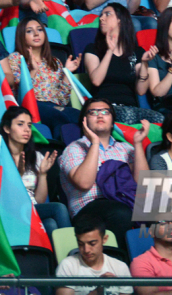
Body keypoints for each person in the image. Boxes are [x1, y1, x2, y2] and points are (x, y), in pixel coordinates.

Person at [58, 97, 150, 247]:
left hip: (126, 200)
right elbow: (84, 183)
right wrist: (94, 143)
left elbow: (143, 184)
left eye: (105, 112)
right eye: (93, 112)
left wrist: (138, 144)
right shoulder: (74, 149)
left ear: (112, 120)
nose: (100, 115)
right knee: (121, 212)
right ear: (84, 121)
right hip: (89, 208)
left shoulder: (127, 149)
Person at [84, 3, 165, 125]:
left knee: (160, 119)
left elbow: (141, 91)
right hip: (104, 109)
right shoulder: (93, 49)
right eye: (101, 15)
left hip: (131, 107)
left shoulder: (137, 52)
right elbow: (96, 80)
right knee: (128, 115)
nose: (101, 18)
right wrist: (109, 52)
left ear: (120, 20)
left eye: (107, 14)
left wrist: (144, 64)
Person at [0, 106, 71, 236]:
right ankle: (73, 248)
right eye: (20, 124)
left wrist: (43, 174)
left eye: (29, 125)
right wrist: (17, 177)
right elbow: (0, 198)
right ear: (7, 128)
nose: (26, 130)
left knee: (50, 224)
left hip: (32, 208)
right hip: (9, 210)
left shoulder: (36, 157)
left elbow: (40, 201)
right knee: (59, 208)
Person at [8, 16, 81, 138]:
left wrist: (67, 73)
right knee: (59, 117)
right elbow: (20, 93)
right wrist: (33, 70)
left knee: (83, 116)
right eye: (29, 31)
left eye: (40, 30)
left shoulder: (55, 62)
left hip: (55, 106)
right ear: (22, 36)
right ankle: (59, 152)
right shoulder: (16, 58)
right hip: (30, 105)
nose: (36, 34)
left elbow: (62, 100)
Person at [55, 214, 135, 295]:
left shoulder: (120, 267)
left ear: (104, 239)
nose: (86, 250)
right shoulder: (68, 265)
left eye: (92, 243)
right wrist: (97, 291)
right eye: (81, 244)